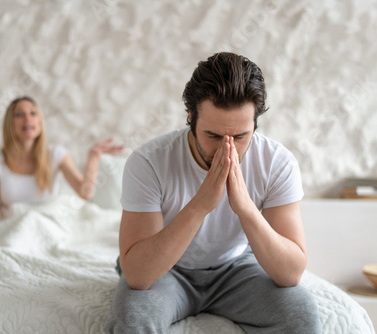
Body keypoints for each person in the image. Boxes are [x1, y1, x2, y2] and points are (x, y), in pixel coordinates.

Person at [104, 52, 321, 333]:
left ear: (256, 122)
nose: (226, 150)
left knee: (301, 313)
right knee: (132, 319)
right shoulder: (148, 162)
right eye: (213, 136)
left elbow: (291, 273)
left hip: (237, 268)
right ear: (191, 117)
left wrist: (245, 208)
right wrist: (199, 206)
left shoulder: (277, 163)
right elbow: (137, 276)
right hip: (167, 271)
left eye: (241, 136)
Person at [0, 96, 123, 224]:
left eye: (33, 113)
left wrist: (93, 158)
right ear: (10, 123)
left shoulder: (56, 154)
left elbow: (84, 193)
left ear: (40, 121)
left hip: (46, 225)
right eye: (19, 115)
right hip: (11, 227)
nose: (27, 119)